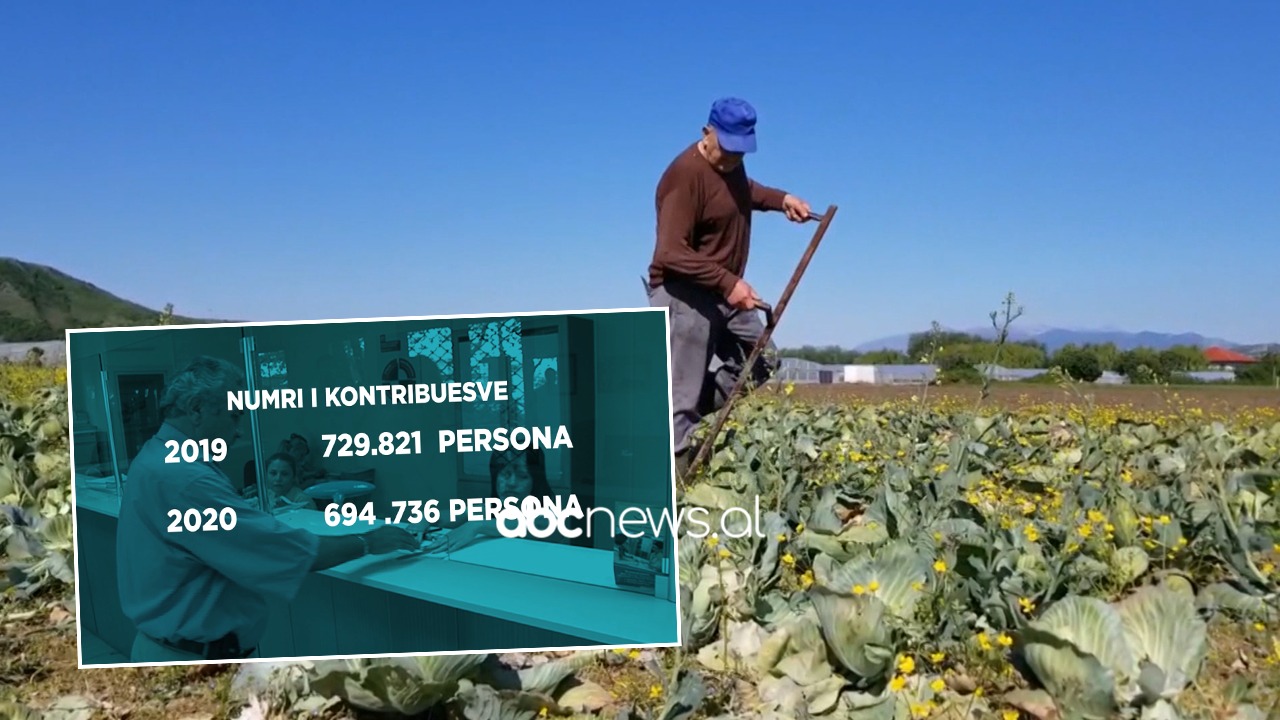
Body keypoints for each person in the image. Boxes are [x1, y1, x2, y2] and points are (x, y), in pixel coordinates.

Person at [115, 355, 419, 663]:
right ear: (196, 409)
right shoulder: (186, 479)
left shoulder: (154, 456)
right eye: (234, 416)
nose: (239, 432)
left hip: (176, 650)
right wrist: (368, 541)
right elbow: (286, 551)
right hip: (192, 662)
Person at [645, 97, 812, 475]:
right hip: (683, 294)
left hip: (723, 293)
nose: (734, 159)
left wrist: (781, 199)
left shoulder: (729, 166)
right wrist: (728, 281)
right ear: (708, 133)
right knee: (680, 395)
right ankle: (675, 480)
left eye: (742, 151)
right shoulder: (684, 175)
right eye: (728, 149)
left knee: (762, 360)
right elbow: (669, 251)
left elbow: (744, 190)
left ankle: (677, 413)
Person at [420, 446, 561, 554]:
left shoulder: (547, 514)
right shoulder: (493, 507)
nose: (511, 482)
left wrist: (475, 526)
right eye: (505, 474)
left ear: (535, 481)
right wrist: (422, 521)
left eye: (522, 476)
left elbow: (523, 523)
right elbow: (445, 516)